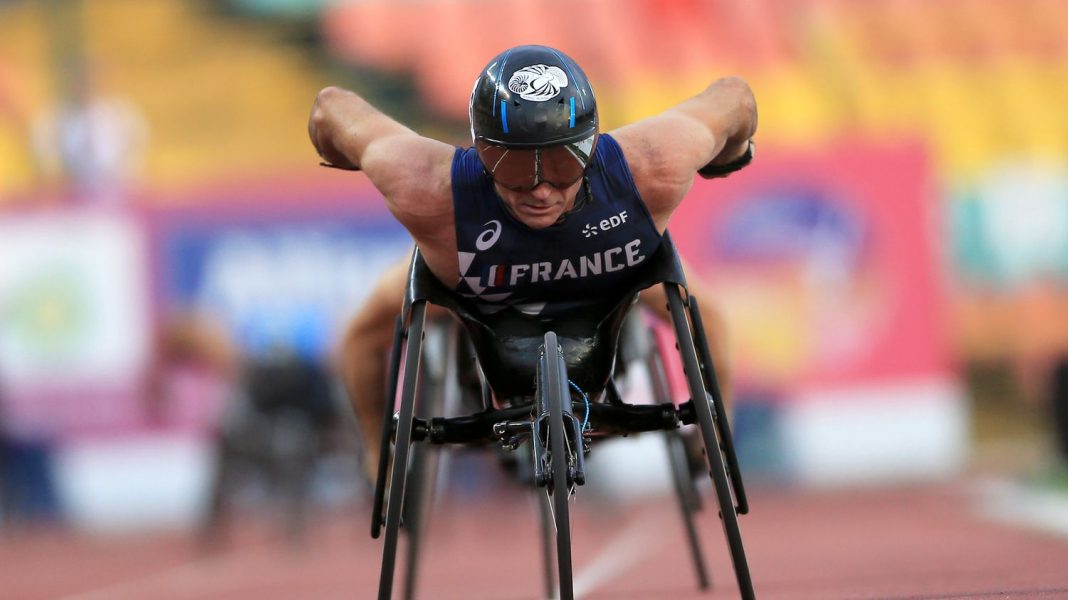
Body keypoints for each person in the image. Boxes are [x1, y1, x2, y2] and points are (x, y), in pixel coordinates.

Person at [309, 45, 757, 472]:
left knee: (707, 314)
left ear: (591, 146)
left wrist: (337, 151)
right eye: (516, 167)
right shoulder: (427, 186)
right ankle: (377, 457)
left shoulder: (653, 164)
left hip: (612, 287)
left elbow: (735, 96)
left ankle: (714, 439)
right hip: (477, 302)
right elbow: (330, 106)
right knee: (363, 328)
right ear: (482, 153)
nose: (541, 189)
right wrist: (732, 154)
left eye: (563, 165)